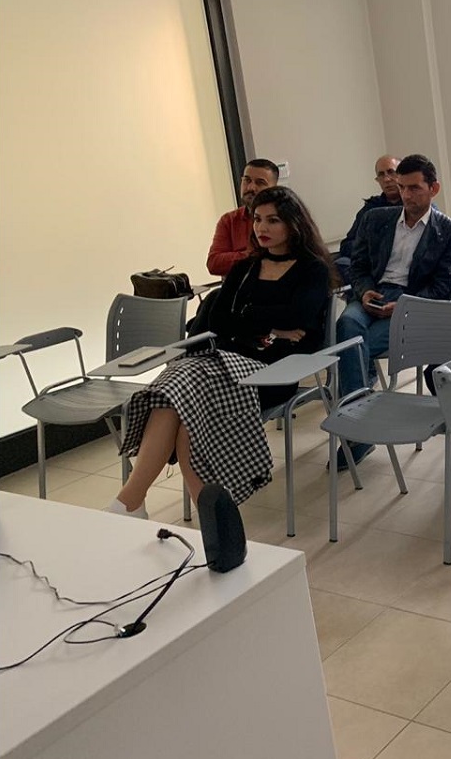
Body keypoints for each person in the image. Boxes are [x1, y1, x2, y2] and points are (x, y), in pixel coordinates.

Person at [107, 186, 335, 517]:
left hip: (273, 371)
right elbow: (219, 320)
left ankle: (132, 503)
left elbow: (298, 316)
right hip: (223, 360)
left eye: (273, 220)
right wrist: (272, 326)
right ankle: (199, 515)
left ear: (293, 224)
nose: (262, 228)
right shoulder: (245, 268)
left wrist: (249, 316)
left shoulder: (311, 269)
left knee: (181, 401)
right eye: (257, 219)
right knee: (177, 399)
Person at [334, 154, 451, 469]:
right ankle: (361, 424)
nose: (406, 195)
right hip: (374, 293)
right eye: (402, 187)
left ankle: (357, 432)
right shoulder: (376, 219)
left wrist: (404, 305)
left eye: (414, 188)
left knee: (353, 347)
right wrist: (364, 291)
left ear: (433, 188)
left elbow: (441, 288)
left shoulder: (448, 231)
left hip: (410, 301)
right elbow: (358, 265)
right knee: (347, 325)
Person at [207, 158, 279, 277]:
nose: (251, 188)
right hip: (238, 286)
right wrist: (253, 255)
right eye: (247, 180)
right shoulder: (229, 220)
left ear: (274, 187)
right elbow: (214, 264)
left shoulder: (286, 218)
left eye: (260, 182)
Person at [338, 155, 402, 262]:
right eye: (381, 175)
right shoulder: (370, 209)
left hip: (399, 264)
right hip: (369, 263)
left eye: (391, 172)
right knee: (342, 262)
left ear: (403, 175)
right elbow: (347, 245)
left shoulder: (413, 206)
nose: (386, 179)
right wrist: (371, 248)